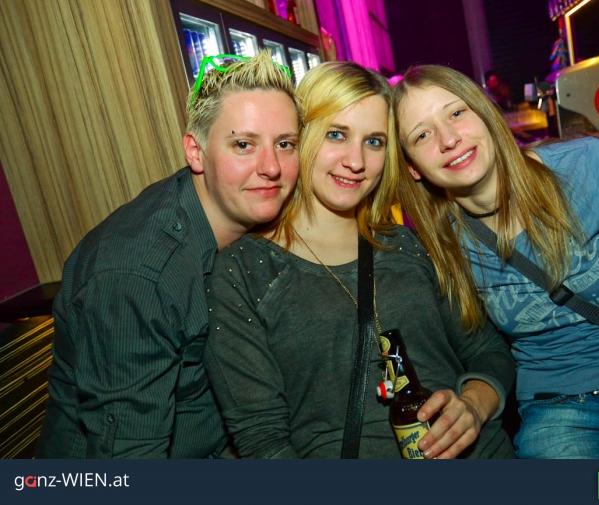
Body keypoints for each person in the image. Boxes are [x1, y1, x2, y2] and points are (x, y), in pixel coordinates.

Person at [204, 61, 515, 459]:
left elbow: (488, 351)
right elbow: (262, 441)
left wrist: (473, 405)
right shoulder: (244, 273)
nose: (356, 161)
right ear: (300, 136)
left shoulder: (405, 245)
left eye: (374, 141)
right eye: (337, 134)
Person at [392, 64, 599, 458]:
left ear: (485, 114)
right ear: (413, 167)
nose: (448, 139)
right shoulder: (442, 245)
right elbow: (480, 348)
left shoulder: (587, 167)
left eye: (456, 113)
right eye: (422, 135)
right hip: (561, 410)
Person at [37, 52, 300, 458]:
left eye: (284, 144)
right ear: (195, 151)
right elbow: (129, 461)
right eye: (243, 145)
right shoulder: (138, 277)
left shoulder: (251, 217)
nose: (271, 167)